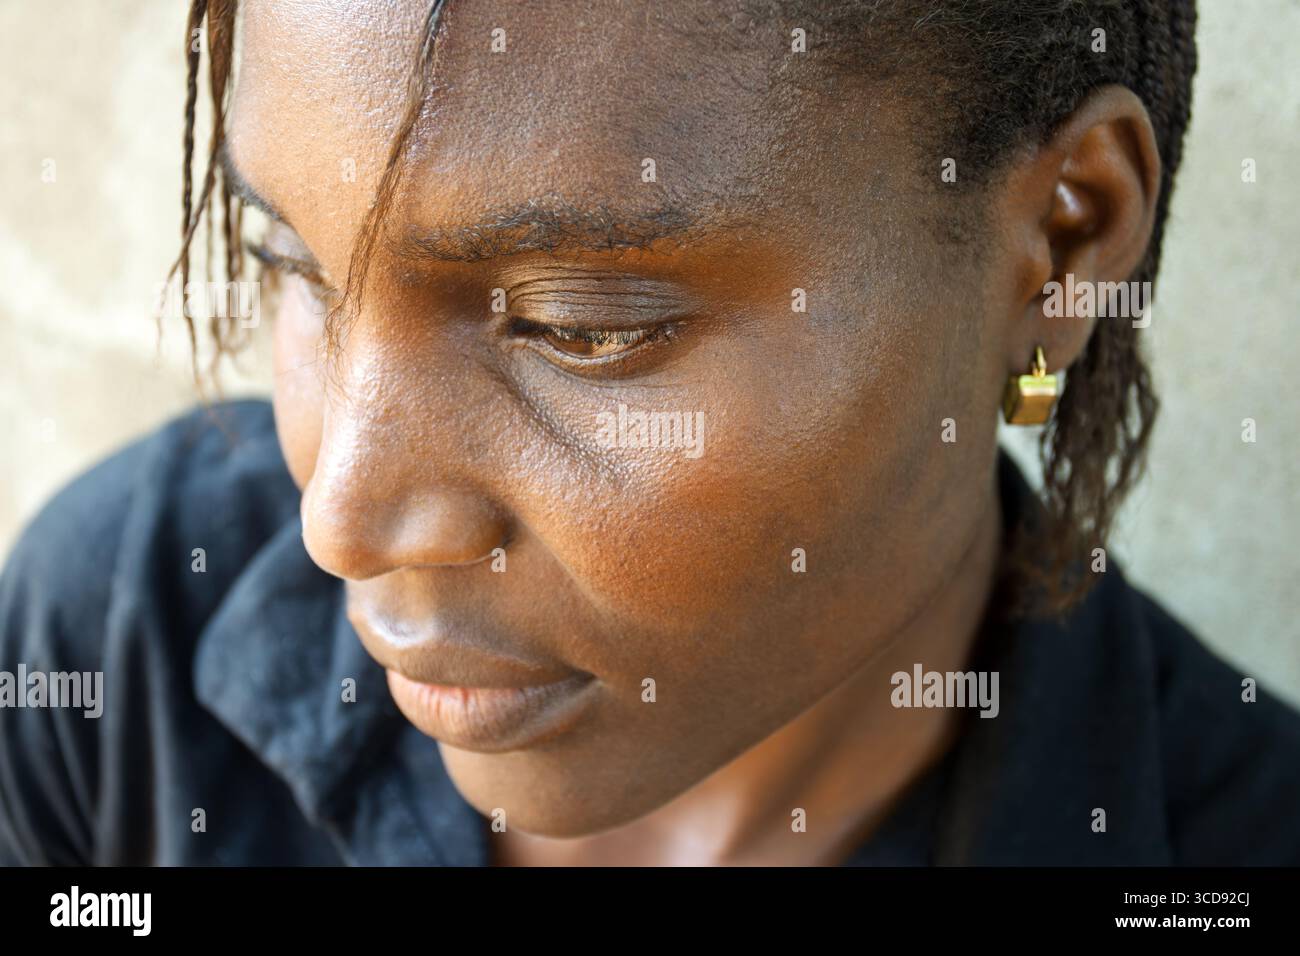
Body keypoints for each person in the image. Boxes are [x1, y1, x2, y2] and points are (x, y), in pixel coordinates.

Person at [3, 0, 1298, 867]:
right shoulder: (120, 647)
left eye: (582, 327)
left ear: (1064, 241)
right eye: (293, 261)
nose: (339, 518)